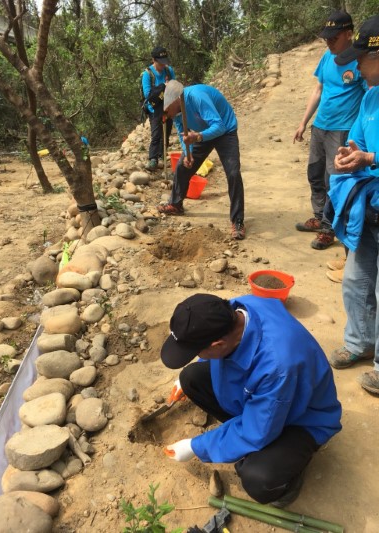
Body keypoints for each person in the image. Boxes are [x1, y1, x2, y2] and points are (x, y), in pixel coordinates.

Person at [161, 293, 342, 507]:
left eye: (196, 351)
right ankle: (239, 435)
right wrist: (190, 373)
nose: (194, 355)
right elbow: (213, 348)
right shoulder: (239, 309)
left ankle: (289, 477)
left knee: (258, 478)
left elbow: (256, 430)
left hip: (302, 417)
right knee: (190, 378)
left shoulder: (277, 366)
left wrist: (196, 446)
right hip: (271, 396)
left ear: (218, 344)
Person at [327, 15, 379, 396]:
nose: (358, 65)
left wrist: (371, 158)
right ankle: (361, 342)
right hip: (370, 207)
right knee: (356, 281)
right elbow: (360, 141)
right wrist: (351, 153)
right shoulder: (371, 96)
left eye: (364, 58)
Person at [294, 10, 366, 250]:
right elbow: (318, 89)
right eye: (326, 38)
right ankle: (319, 215)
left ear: (349, 34)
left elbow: (369, 96)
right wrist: (304, 122)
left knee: (333, 179)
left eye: (333, 38)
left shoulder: (360, 61)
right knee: (314, 173)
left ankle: (329, 227)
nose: (329, 42)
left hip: (342, 130)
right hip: (320, 126)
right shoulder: (326, 57)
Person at [157, 80, 246, 240]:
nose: (166, 116)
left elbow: (219, 127)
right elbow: (181, 132)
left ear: (173, 101)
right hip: (201, 133)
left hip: (225, 130)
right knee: (182, 167)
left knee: (233, 173)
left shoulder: (197, 97)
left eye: (165, 112)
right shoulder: (176, 110)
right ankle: (176, 204)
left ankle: (237, 221)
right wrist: (188, 153)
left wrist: (198, 136)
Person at [141, 46, 176, 171]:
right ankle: (153, 159)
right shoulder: (147, 74)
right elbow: (148, 94)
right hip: (154, 109)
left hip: (168, 107)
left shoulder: (169, 71)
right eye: (160, 62)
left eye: (164, 62)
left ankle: (162, 156)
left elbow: (175, 86)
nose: (163, 65)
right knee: (156, 134)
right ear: (153, 60)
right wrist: (162, 87)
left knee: (166, 134)